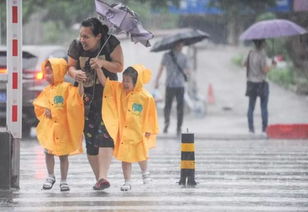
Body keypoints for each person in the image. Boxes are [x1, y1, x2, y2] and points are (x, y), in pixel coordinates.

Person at [67, 17, 124, 190]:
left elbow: (119, 66)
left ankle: (103, 176)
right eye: (81, 35)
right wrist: (75, 73)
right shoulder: (76, 46)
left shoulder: (111, 43)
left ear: (98, 36)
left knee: (105, 134)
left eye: (86, 36)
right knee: (90, 139)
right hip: (85, 97)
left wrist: (102, 63)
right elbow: (69, 67)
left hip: (107, 96)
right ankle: (99, 178)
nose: (82, 40)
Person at [100, 64, 159, 191]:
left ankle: (145, 173)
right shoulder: (120, 89)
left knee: (141, 155)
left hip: (139, 132)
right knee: (125, 158)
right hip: (124, 132)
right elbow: (106, 84)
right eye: (123, 80)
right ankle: (127, 181)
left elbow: (150, 114)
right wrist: (98, 68)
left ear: (136, 81)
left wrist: (149, 129)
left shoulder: (146, 97)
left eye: (128, 81)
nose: (124, 83)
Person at [33, 58, 84, 192]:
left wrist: (80, 84)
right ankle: (50, 176)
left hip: (63, 128)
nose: (47, 76)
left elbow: (76, 100)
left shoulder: (67, 88)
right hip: (50, 128)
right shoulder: (46, 90)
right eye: (46, 73)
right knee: (48, 152)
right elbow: (39, 105)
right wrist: (45, 109)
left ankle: (64, 180)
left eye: (51, 73)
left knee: (63, 155)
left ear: (60, 72)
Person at [154, 42, 190, 136]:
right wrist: (157, 80)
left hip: (176, 85)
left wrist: (157, 80)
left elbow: (161, 68)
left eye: (182, 44)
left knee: (173, 106)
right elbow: (161, 68)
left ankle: (176, 126)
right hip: (173, 85)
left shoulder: (168, 55)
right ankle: (169, 124)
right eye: (180, 44)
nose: (181, 46)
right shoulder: (169, 56)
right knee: (172, 106)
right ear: (175, 45)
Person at [244, 39, 276, 134]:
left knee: (251, 107)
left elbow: (244, 64)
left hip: (251, 83)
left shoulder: (250, 53)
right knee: (264, 107)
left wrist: (253, 67)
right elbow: (264, 70)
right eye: (264, 42)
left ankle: (251, 129)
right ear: (261, 44)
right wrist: (272, 66)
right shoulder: (262, 54)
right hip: (261, 83)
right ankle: (264, 129)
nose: (265, 44)